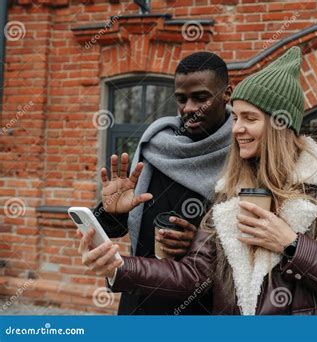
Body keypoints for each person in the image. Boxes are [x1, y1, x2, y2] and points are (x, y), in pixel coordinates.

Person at [80, 47, 317, 315]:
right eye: (237, 117)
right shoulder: (229, 189)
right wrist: (119, 267)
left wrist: (292, 245)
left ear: (280, 125)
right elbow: (195, 273)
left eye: (250, 119)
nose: (237, 128)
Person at [78, 52, 233, 315]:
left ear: (227, 93)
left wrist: (199, 243)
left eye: (201, 97)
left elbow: (254, 247)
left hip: (202, 309)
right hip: (140, 300)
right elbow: (123, 229)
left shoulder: (242, 153)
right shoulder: (156, 146)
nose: (189, 108)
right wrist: (113, 212)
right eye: (181, 99)